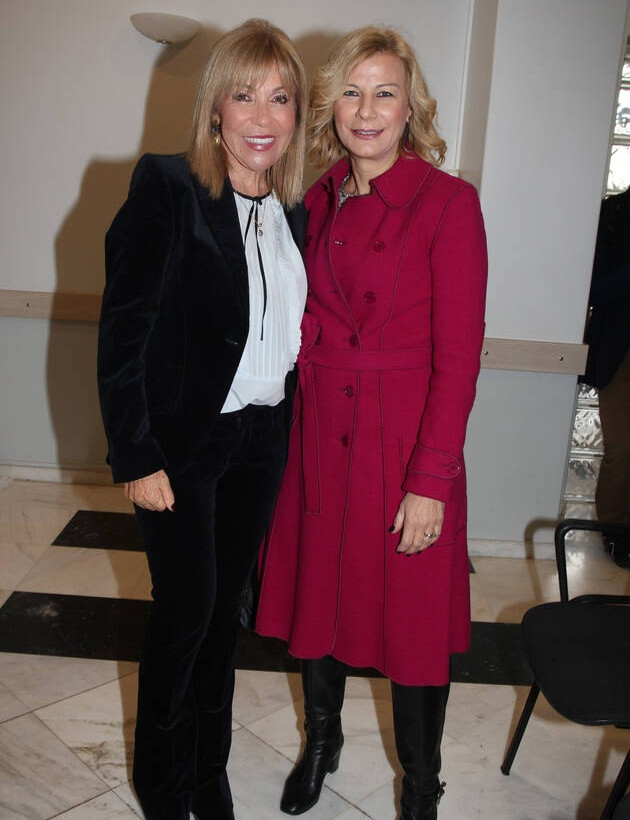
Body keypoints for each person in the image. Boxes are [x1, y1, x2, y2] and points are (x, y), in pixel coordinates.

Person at [255, 26, 487, 820]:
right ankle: (322, 741)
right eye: (351, 92)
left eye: (384, 92)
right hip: (318, 438)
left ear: (410, 108)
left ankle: (420, 786)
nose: (366, 109)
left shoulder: (448, 204)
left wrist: (431, 482)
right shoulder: (312, 198)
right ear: (331, 106)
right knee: (317, 606)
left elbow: (458, 360)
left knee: (412, 627)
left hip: (402, 447)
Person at [97, 19, 307, 820]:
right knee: (184, 616)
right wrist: (136, 454)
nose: (263, 116)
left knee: (224, 619)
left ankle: (206, 770)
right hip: (184, 444)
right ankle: (162, 784)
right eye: (244, 95)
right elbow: (124, 333)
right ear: (215, 107)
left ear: (296, 114)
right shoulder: (169, 186)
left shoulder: (294, 211)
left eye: (280, 98)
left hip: (261, 439)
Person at [583, 186, 630, 568]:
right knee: (623, 449)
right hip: (621, 352)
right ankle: (615, 531)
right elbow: (592, 287)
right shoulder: (613, 215)